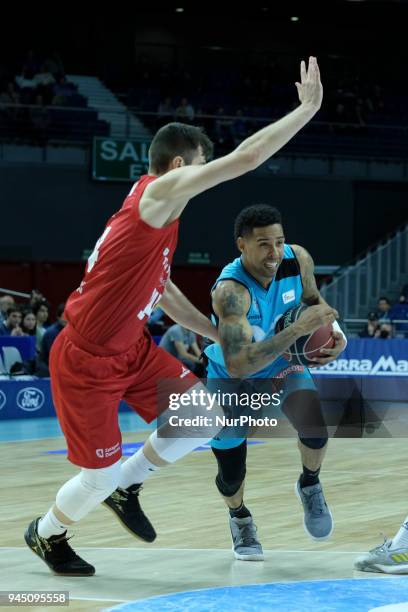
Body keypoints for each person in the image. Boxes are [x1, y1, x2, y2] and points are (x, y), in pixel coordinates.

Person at [25, 56, 326, 576]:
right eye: (200, 165)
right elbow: (246, 159)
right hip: (86, 360)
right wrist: (306, 110)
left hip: (132, 351)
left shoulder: (159, 220)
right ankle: (47, 533)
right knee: (94, 478)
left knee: (205, 418)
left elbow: (159, 290)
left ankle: (129, 483)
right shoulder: (157, 194)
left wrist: (213, 330)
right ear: (181, 167)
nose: (205, 176)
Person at [204, 204, 345, 560]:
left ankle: (309, 484)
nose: (275, 253)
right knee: (231, 473)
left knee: (315, 427)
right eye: (264, 244)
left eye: (279, 241)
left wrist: (335, 333)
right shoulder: (231, 292)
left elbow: (313, 301)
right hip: (232, 376)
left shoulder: (297, 260)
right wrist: (299, 328)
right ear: (242, 245)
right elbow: (238, 364)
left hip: (282, 364)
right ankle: (239, 517)